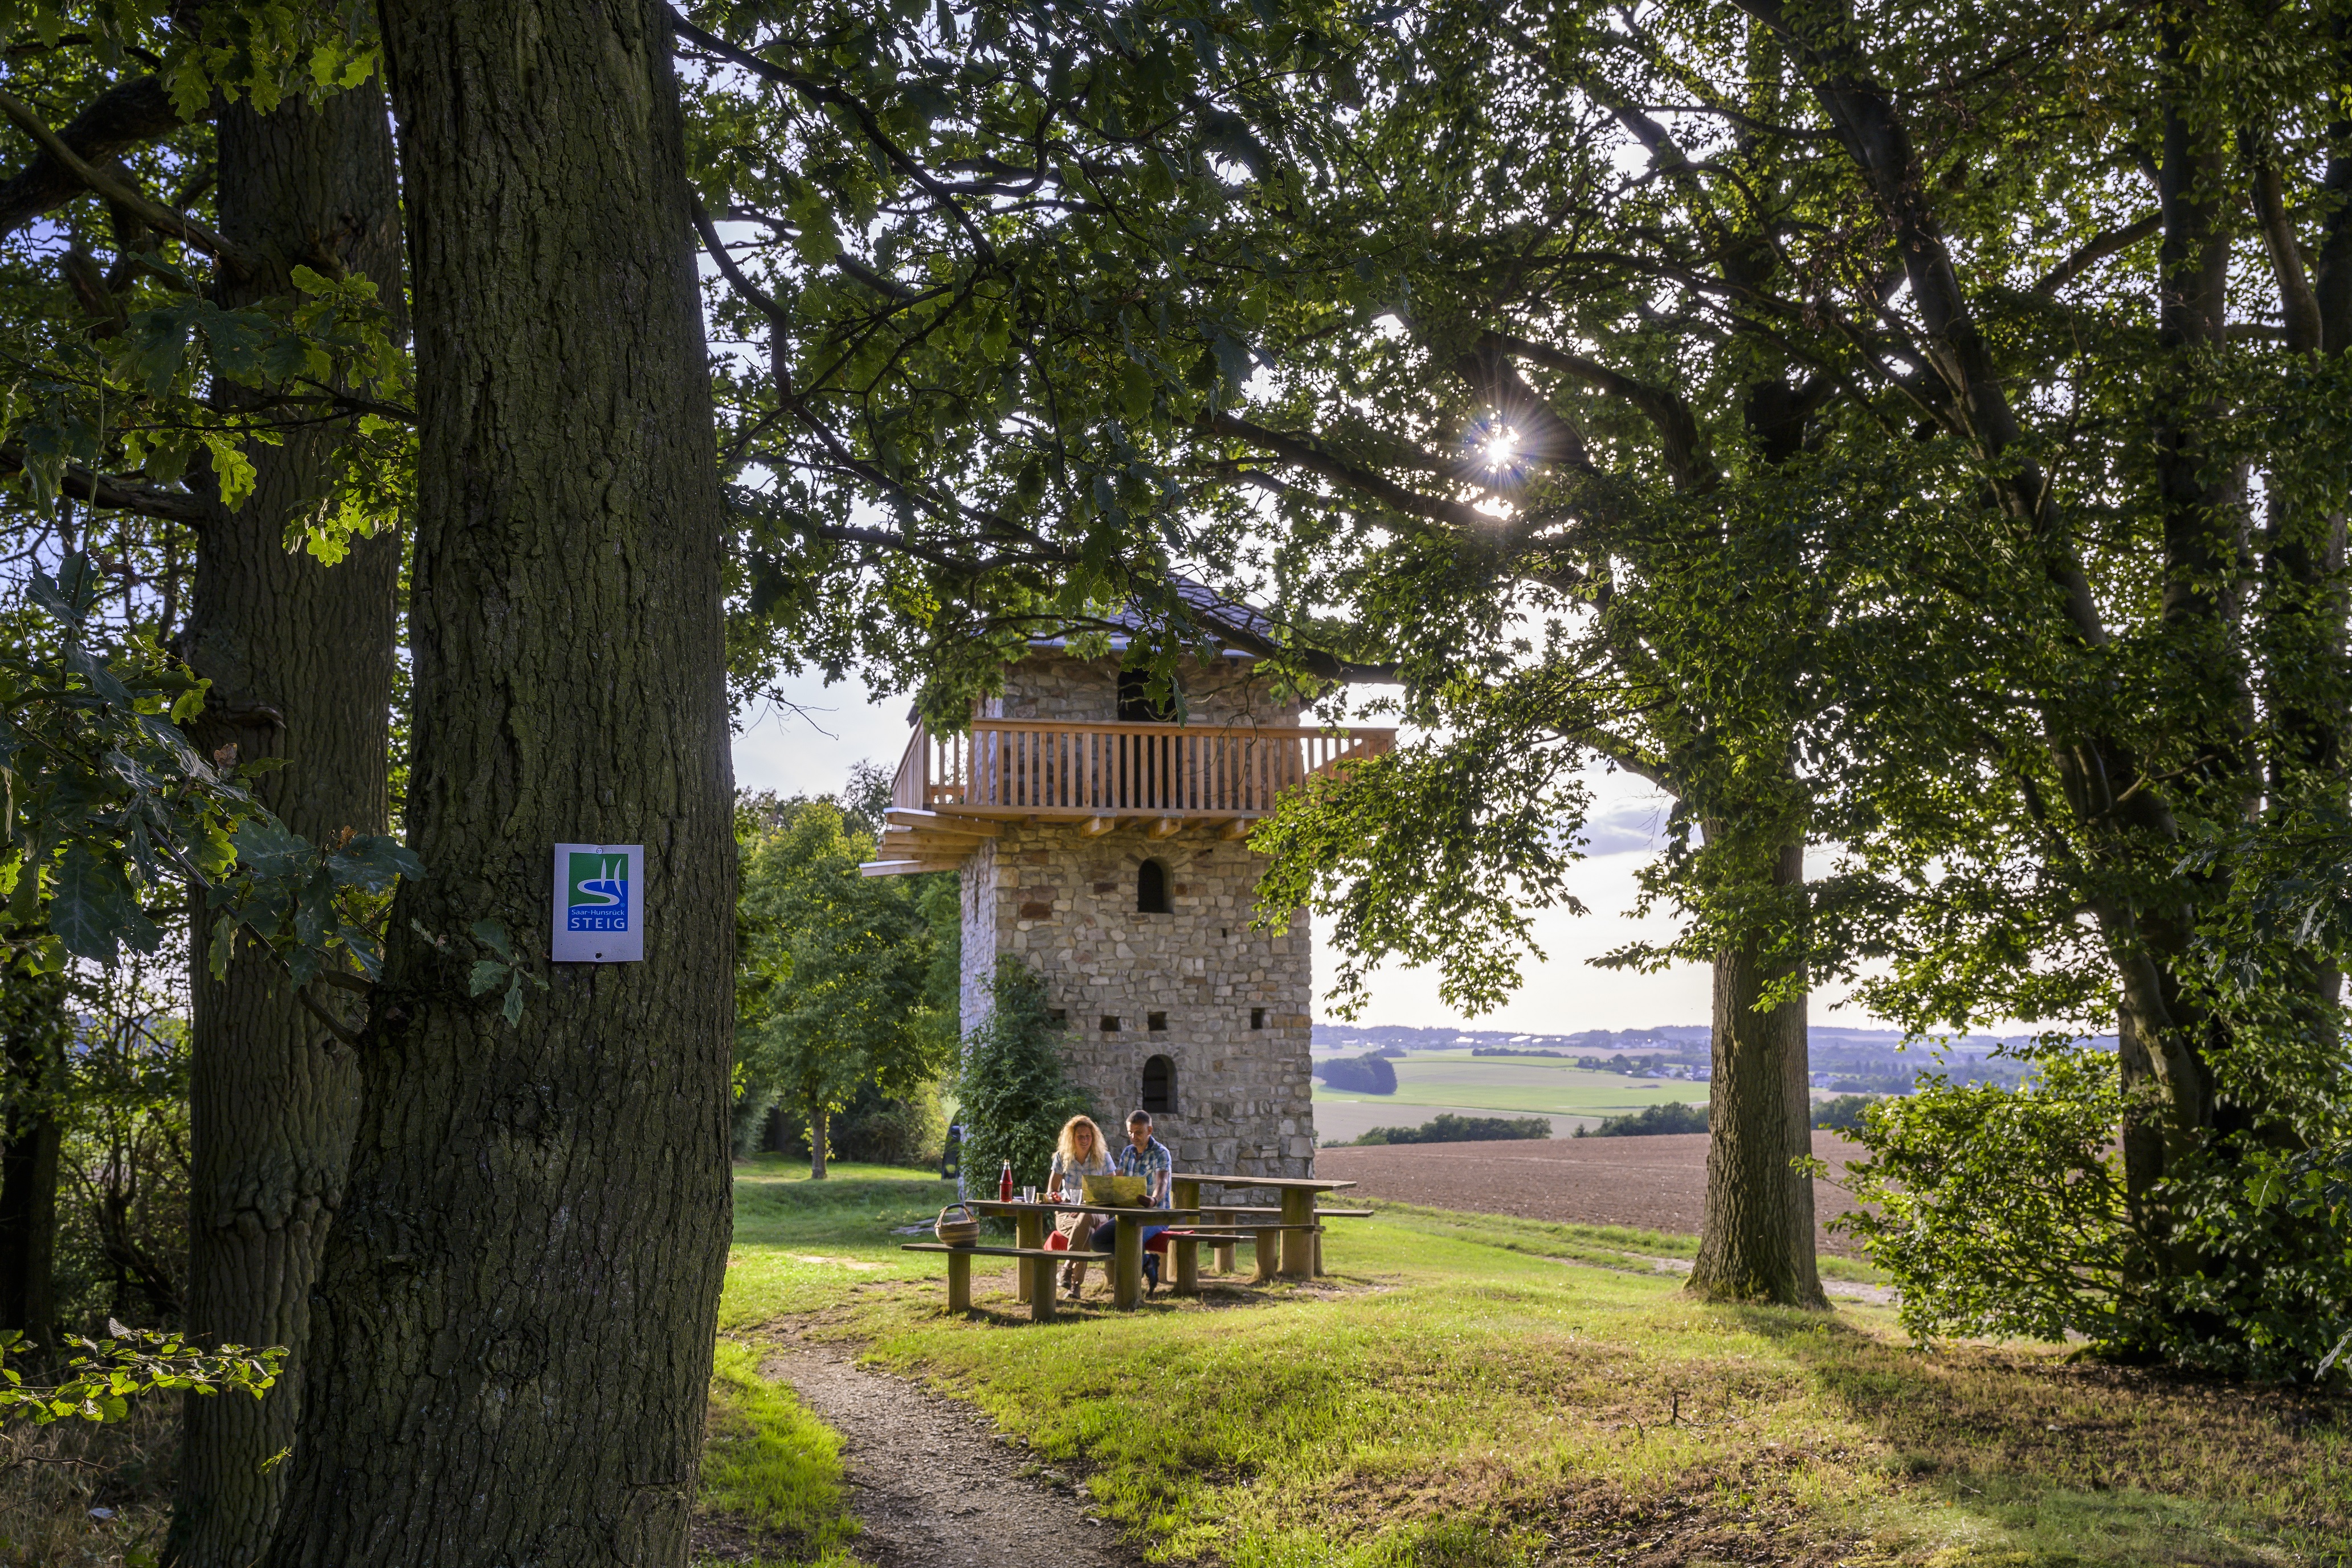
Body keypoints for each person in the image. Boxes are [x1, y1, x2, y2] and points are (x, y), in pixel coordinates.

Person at [1090, 1110, 1174, 1293]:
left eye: (1139, 1132)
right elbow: (1118, 1180)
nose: (1134, 1137)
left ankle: (1129, 1290)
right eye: (1130, 1132)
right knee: (1097, 1241)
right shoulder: (1128, 1152)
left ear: (1150, 1130)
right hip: (1127, 1214)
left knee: (1129, 1239)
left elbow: (1163, 1182)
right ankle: (1146, 1261)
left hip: (1155, 1216)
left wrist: (1153, 1199)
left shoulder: (1161, 1153)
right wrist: (1100, 1193)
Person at [1046, 1115, 1114, 1297]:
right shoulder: (1062, 1157)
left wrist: (1086, 1204)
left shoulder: (1104, 1157)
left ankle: (1067, 1268)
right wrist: (1066, 1202)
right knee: (1087, 1233)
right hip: (1067, 1213)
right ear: (1072, 1138)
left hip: (1096, 1211)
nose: (1084, 1140)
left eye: (1088, 1136)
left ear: (1093, 1138)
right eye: (1080, 1137)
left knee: (1086, 1215)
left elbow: (1111, 1190)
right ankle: (1076, 1288)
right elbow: (1052, 1190)